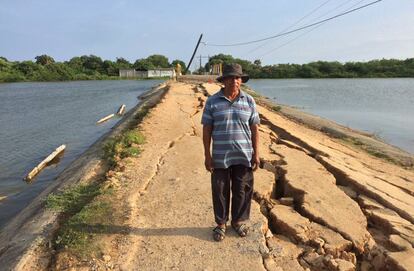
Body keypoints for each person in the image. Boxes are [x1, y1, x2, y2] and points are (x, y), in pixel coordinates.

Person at [201, 63, 260, 242]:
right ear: (224, 80)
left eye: (238, 78)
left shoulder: (249, 100)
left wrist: (256, 153)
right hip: (220, 155)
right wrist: (207, 155)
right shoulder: (212, 102)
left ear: (241, 80)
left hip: (244, 155)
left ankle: (238, 221)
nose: (235, 81)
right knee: (220, 190)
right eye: (231, 77)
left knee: (242, 189)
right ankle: (221, 224)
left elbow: (255, 129)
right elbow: (207, 130)